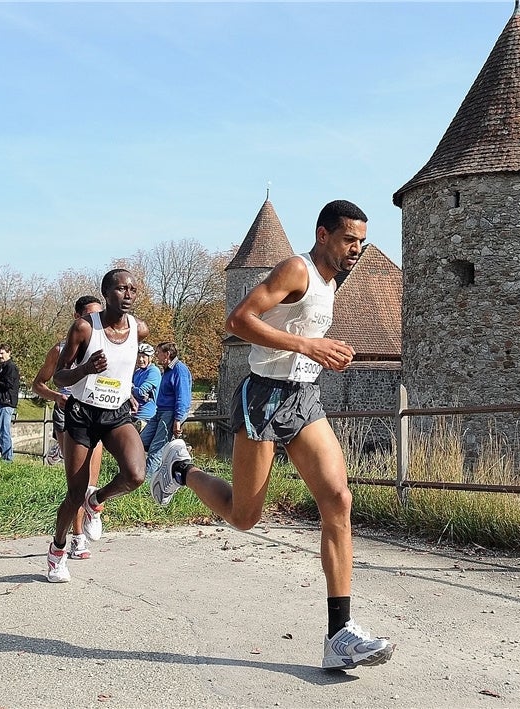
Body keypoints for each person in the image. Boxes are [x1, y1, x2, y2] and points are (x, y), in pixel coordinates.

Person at [149, 200, 393, 670]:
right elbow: (237, 320)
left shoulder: (332, 280)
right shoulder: (295, 269)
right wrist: (308, 344)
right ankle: (180, 469)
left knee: (338, 500)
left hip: (303, 397)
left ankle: (339, 634)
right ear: (323, 235)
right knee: (244, 516)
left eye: (361, 241)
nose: (357, 249)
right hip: (262, 396)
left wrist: (317, 354)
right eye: (349, 240)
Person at [45, 269, 151, 583]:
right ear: (106, 293)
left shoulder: (139, 329)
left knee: (135, 475)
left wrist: (126, 389)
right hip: (82, 415)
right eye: (121, 289)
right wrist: (87, 368)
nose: (128, 294)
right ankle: (58, 549)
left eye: (133, 289)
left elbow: (124, 364)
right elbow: (59, 377)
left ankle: (98, 500)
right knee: (74, 493)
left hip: (115, 413)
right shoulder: (83, 329)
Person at [33, 295, 105, 558]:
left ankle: (59, 451)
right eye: (89, 316)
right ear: (77, 318)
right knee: (76, 485)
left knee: (90, 486)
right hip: (69, 414)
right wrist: (57, 397)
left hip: (97, 415)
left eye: (99, 316)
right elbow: (38, 384)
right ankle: (76, 538)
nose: (95, 322)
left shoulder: (107, 344)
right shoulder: (61, 348)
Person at [142, 341, 191, 476]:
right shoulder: (167, 370)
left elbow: (183, 395)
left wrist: (178, 419)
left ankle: (148, 481)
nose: (156, 356)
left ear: (167, 354)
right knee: (141, 442)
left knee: (157, 448)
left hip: (170, 413)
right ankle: (141, 472)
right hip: (160, 411)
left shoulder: (179, 370)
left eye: (158, 353)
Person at [132, 343, 161, 432]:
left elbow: (141, 392)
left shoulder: (153, 372)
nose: (140, 359)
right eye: (139, 356)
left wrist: (131, 388)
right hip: (134, 415)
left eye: (144, 357)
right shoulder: (138, 372)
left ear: (150, 358)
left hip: (146, 417)